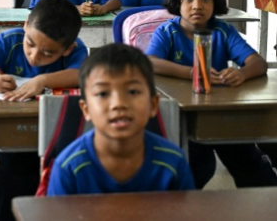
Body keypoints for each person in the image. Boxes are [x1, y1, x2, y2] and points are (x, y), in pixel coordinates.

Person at [145, 0, 277, 189]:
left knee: (253, 171)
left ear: (215, 2)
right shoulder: (168, 32)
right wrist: (192, 73)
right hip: (182, 119)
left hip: (222, 116)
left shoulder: (223, 32)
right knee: (196, 171)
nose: (197, 6)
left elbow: (258, 63)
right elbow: (150, 62)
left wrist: (241, 73)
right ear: (177, 1)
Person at [0, 0, 86, 221]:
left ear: (68, 49)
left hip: (58, 143)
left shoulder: (77, 50)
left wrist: (43, 80)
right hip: (11, 142)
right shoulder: (10, 41)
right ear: (26, 24)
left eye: (48, 54)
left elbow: (82, 75)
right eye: (30, 44)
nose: (34, 55)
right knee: (6, 180)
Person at [47, 44, 194, 195]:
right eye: (103, 94)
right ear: (86, 109)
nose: (118, 104)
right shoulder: (69, 167)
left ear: (153, 104)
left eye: (132, 91)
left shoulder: (173, 163)